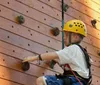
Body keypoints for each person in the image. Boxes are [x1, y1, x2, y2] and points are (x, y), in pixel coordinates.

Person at [23, 20, 92, 85]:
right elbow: (75, 69)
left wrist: (34, 58)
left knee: (41, 80)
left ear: (76, 37)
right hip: (78, 83)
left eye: (67, 35)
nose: (64, 38)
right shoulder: (83, 53)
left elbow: (53, 55)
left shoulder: (73, 48)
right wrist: (58, 61)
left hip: (73, 81)